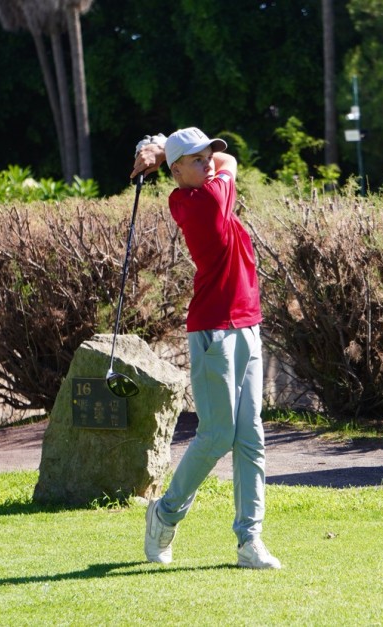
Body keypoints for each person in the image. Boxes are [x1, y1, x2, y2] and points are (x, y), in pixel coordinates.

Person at [130, 127, 281, 570]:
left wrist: (160, 148)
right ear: (177, 172)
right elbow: (232, 166)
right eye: (197, 160)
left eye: (209, 154)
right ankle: (165, 513)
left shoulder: (195, 188)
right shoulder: (202, 201)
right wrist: (161, 150)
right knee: (217, 435)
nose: (210, 162)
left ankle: (249, 540)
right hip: (214, 330)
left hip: (247, 324)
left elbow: (218, 161)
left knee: (250, 434)